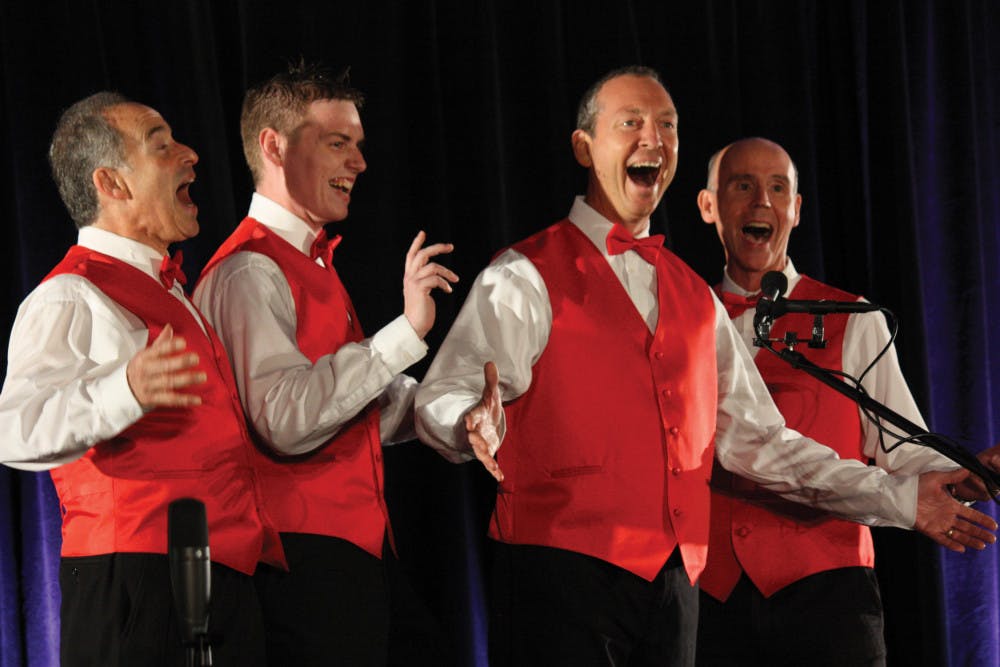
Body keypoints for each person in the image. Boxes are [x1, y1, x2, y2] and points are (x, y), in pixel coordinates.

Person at [414, 66, 996, 667]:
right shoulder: (523, 274)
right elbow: (445, 395)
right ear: (584, 147)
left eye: (666, 125)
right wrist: (466, 423)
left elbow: (764, 443)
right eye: (631, 123)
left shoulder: (694, 298)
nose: (653, 139)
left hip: (674, 593)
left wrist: (904, 497)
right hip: (559, 577)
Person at [0, 92, 284, 666]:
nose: (191, 154)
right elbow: (14, 429)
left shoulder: (173, 289)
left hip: (219, 576)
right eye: (162, 145)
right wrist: (123, 391)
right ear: (112, 184)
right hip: (137, 582)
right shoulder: (69, 294)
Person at [692, 136, 995, 666]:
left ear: (796, 209)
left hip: (828, 599)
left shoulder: (854, 318)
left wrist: (963, 477)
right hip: (711, 600)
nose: (761, 201)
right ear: (709, 205)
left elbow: (901, 450)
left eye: (777, 187)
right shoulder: (682, 318)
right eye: (742, 186)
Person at [193, 63, 458, 666]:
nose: (359, 163)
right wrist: (407, 330)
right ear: (273, 147)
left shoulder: (308, 263)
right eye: (338, 143)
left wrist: (450, 412)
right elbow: (284, 419)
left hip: (352, 555)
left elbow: (351, 409)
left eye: (358, 146)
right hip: (299, 563)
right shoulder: (247, 272)